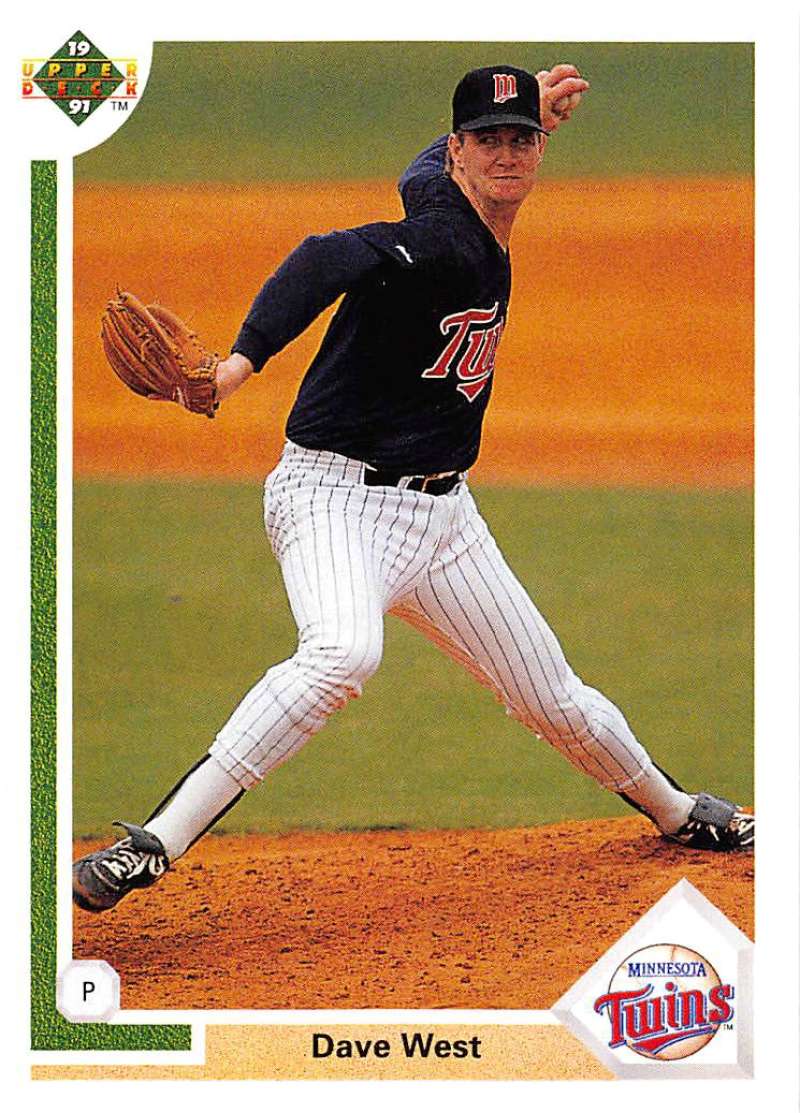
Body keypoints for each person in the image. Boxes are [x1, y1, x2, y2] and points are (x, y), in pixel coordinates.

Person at [73, 63, 754, 913]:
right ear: (460, 151)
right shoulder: (443, 243)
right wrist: (237, 367)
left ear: (538, 149)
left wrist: (515, 104)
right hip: (335, 499)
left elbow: (422, 168)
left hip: (444, 521)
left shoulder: (442, 189)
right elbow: (326, 255)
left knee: (556, 698)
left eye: (523, 138)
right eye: (489, 139)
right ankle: (151, 845)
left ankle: (681, 811)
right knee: (343, 652)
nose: (507, 154)